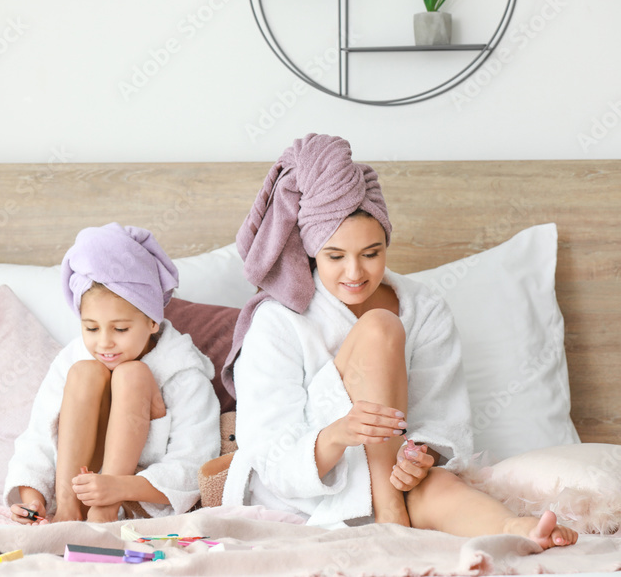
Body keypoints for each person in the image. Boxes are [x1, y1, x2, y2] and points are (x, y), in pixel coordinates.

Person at [220, 134, 577, 549]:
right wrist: (338, 433)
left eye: (371, 253)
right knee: (380, 328)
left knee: (439, 485)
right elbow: (270, 452)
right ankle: (391, 517)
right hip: (307, 493)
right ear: (312, 250)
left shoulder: (424, 308)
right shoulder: (278, 320)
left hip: (394, 477)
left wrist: (420, 455)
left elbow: (443, 418)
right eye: (335, 256)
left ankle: (520, 529)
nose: (355, 272)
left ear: (386, 243)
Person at [4, 223, 220, 524]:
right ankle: (69, 511)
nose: (104, 342)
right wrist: (33, 500)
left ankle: (104, 513)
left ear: (152, 321)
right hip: (78, 495)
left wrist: (118, 488)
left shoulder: (183, 370)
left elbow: (195, 461)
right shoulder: (73, 360)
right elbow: (38, 437)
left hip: (139, 499)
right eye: (91, 328)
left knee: (133, 375)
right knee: (85, 373)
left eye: (120, 329)